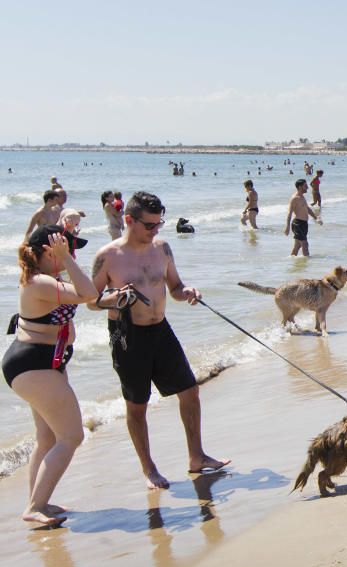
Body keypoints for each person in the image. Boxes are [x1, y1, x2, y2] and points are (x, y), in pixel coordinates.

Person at [90, 192, 230, 490]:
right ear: (129, 220)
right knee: (137, 405)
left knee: (190, 391)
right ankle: (149, 469)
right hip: (127, 336)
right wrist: (115, 298)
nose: (155, 230)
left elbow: (175, 287)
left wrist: (188, 291)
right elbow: (91, 300)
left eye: (159, 224)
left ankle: (197, 457)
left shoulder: (163, 248)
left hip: (160, 329)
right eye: (150, 225)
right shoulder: (107, 256)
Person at [3, 226, 98, 526]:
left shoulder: (47, 280)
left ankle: (37, 500)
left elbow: (89, 297)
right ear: (49, 252)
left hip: (41, 364)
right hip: (34, 365)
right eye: (69, 249)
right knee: (72, 436)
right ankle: (35, 507)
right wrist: (67, 260)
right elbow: (89, 293)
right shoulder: (40, 282)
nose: (74, 255)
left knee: (46, 438)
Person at [285, 179, 321, 256]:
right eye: (305, 186)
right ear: (300, 187)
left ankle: (291, 262)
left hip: (304, 224)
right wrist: (287, 227)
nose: (307, 187)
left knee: (297, 246)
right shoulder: (295, 198)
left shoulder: (302, 197)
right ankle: (307, 266)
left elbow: (307, 209)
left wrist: (316, 218)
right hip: (298, 224)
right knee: (305, 245)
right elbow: (289, 213)